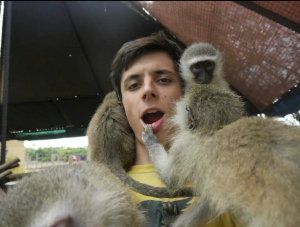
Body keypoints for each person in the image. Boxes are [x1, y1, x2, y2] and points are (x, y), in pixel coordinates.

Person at [110, 31, 242, 227]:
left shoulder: (236, 184)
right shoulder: (106, 191)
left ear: (184, 92)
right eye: (134, 84)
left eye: (164, 80)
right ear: (120, 104)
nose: (148, 90)